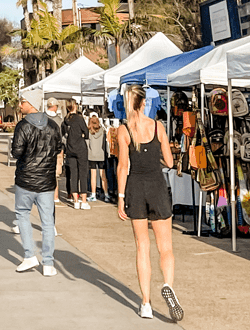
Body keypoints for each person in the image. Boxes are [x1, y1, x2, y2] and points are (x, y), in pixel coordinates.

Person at [116, 84, 183, 322]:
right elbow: (170, 161)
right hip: (156, 186)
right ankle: (168, 285)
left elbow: (123, 167)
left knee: (141, 246)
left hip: (135, 187)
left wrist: (120, 198)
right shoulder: (158, 127)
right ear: (144, 103)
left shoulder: (123, 130)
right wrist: (159, 160)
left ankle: (146, 303)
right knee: (165, 247)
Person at [11, 89, 60, 277]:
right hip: (46, 181)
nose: (20, 105)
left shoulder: (22, 126)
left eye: (22, 101)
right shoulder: (53, 126)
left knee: (23, 215)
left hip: (25, 179)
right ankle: (48, 263)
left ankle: (29, 255)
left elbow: (16, 152)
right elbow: (58, 149)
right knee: (48, 223)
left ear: (30, 103)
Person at [63, 99, 90, 210]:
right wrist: (82, 135)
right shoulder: (79, 119)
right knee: (83, 174)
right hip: (80, 148)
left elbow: (63, 134)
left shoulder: (65, 120)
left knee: (73, 174)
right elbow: (87, 133)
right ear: (75, 106)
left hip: (70, 149)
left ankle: (75, 200)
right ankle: (83, 201)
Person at [87, 114, 110, 203]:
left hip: (92, 155)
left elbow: (87, 143)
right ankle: (106, 194)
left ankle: (93, 194)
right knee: (103, 175)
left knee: (93, 175)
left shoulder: (89, 131)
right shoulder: (103, 131)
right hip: (101, 155)